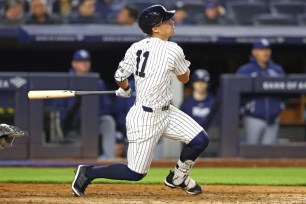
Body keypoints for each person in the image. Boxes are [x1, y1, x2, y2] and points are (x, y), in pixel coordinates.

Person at [72, 5, 209, 197]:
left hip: (167, 112)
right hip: (145, 118)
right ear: (155, 28)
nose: (172, 22)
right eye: (166, 21)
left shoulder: (135, 47)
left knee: (199, 139)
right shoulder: (173, 50)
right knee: (135, 173)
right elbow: (184, 79)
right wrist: (183, 67)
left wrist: (125, 89)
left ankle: (178, 177)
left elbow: (119, 75)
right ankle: (88, 172)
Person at [53, 49, 116, 158]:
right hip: (72, 125)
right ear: (74, 64)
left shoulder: (97, 82)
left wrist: (93, 116)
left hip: (93, 122)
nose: (85, 64)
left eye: (86, 61)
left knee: (108, 121)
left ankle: (109, 158)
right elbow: (58, 108)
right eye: (81, 61)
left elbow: (107, 106)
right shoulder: (65, 81)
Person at [236, 38, 285, 145]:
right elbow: (236, 94)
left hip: (273, 119)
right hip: (253, 117)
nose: (265, 52)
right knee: (250, 151)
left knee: (269, 155)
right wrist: (245, 108)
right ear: (254, 52)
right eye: (262, 49)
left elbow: (285, 93)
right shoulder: (245, 71)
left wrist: (280, 106)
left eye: (267, 49)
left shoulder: (277, 70)